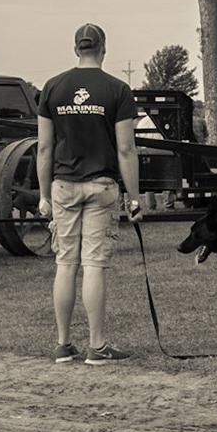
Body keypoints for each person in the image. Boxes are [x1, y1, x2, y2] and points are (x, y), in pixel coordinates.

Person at [36, 23, 143, 364]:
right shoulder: (117, 89)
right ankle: (97, 347)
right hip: (101, 185)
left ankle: (63, 344)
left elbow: (43, 148)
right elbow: (126, 150)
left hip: (63, 186)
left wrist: (43, 195)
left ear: (76, 49)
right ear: (103, 48)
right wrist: (136, 196)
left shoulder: (53, 87)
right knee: (94, 265)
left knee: (65, 264)